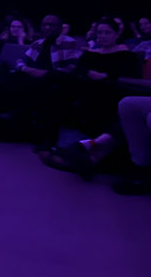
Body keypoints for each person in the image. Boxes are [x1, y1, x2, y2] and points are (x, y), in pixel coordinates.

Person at [38, 18, 143, 177]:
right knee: (58, 86)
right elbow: (79, 69)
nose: (103, 36)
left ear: (116, 35)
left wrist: (105, 76)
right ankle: (50, 140)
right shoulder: (90, 55)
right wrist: (86, 74)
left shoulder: (126, 56)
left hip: (113, 89)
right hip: (87, 85)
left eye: (107, 32)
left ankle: (83, 152)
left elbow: (127, 78)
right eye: (100, 32)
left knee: (93, 93)